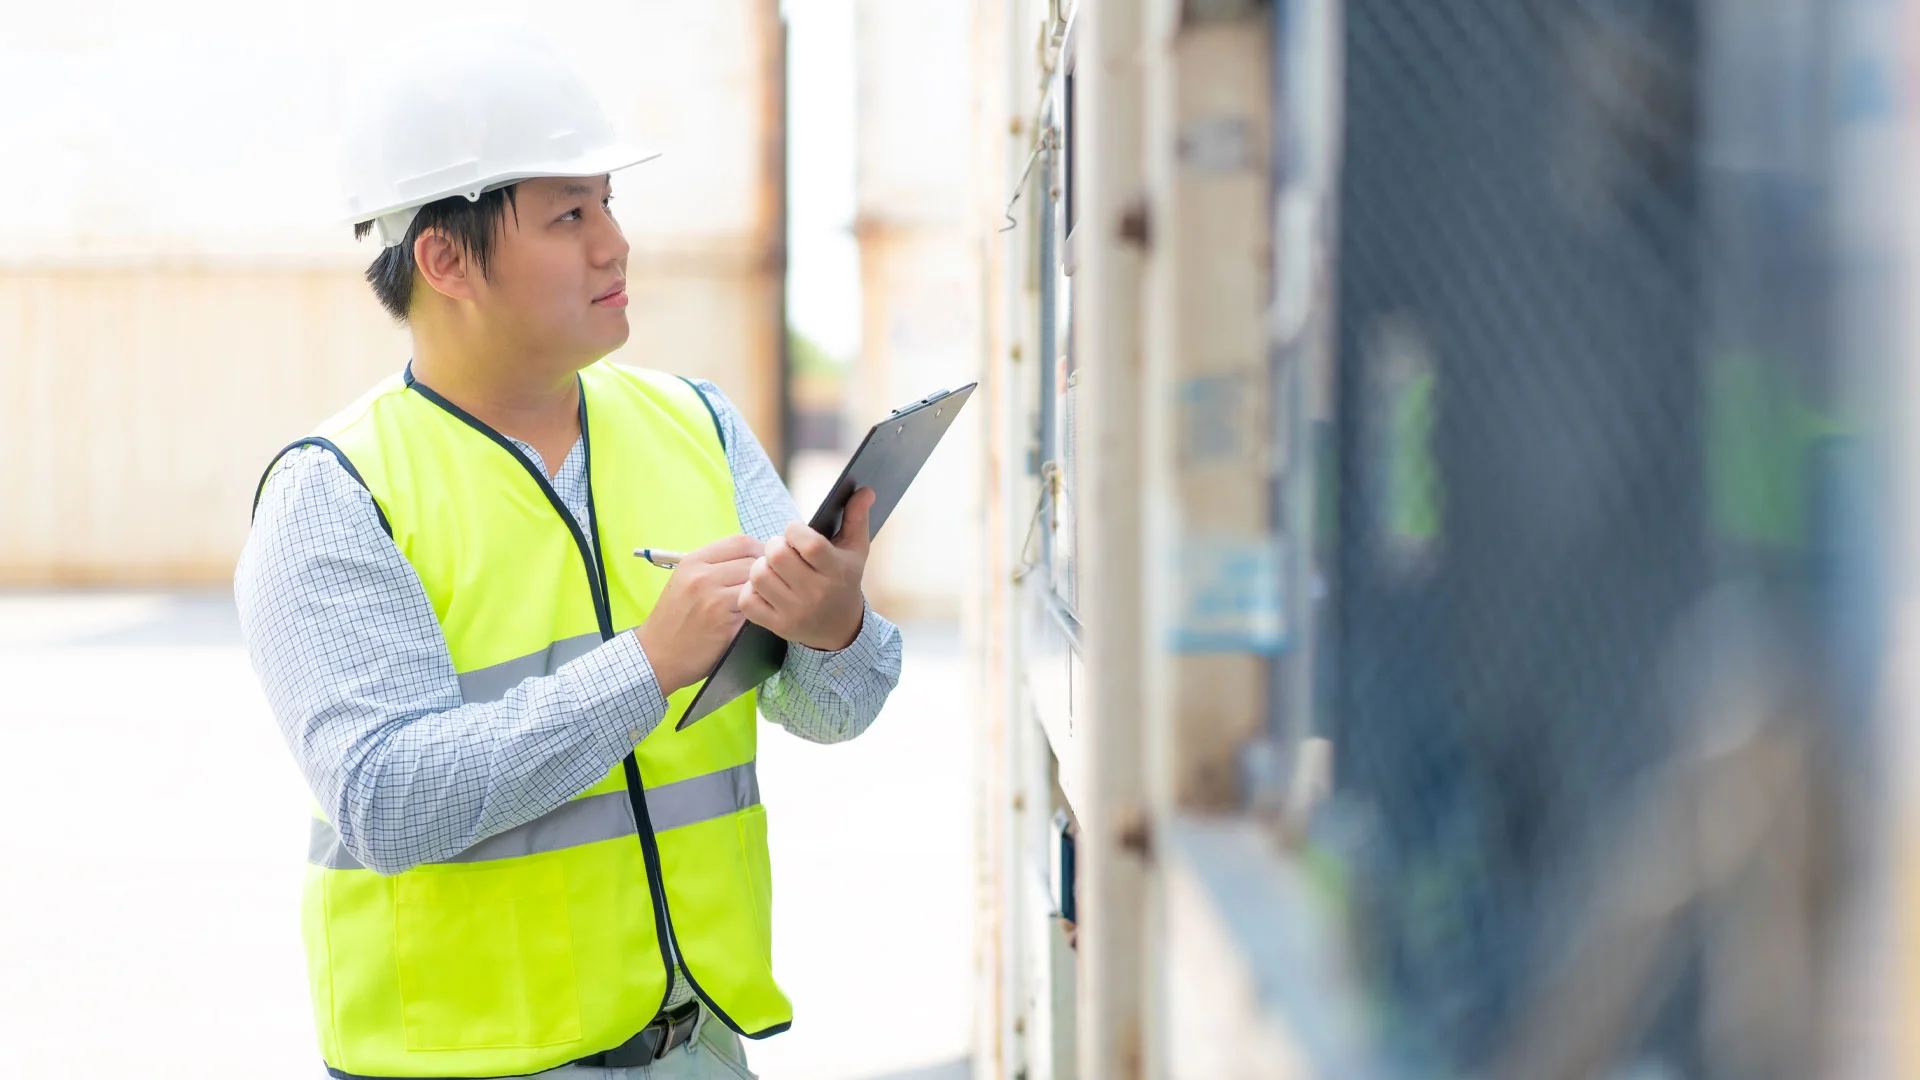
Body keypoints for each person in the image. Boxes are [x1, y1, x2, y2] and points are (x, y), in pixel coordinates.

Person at [235, 25, 902, 1079]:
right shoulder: (336, 492)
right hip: (468, 1062)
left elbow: (836, 708)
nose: (614, 244)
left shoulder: (700, 424)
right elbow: (389, 802)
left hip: (697, 1045)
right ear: (444, 258)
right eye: (569, 216)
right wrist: (646, 665)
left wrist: (836, 629)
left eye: (609, 204)